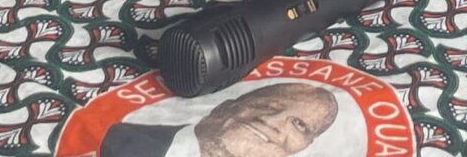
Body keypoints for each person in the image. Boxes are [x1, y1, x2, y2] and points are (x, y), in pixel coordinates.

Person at [99, 82, 340, 157]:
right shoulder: (117, 140)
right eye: (268, 104)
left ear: (304, 146)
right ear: (224, 107)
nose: (271, 120)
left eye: (299, 124)